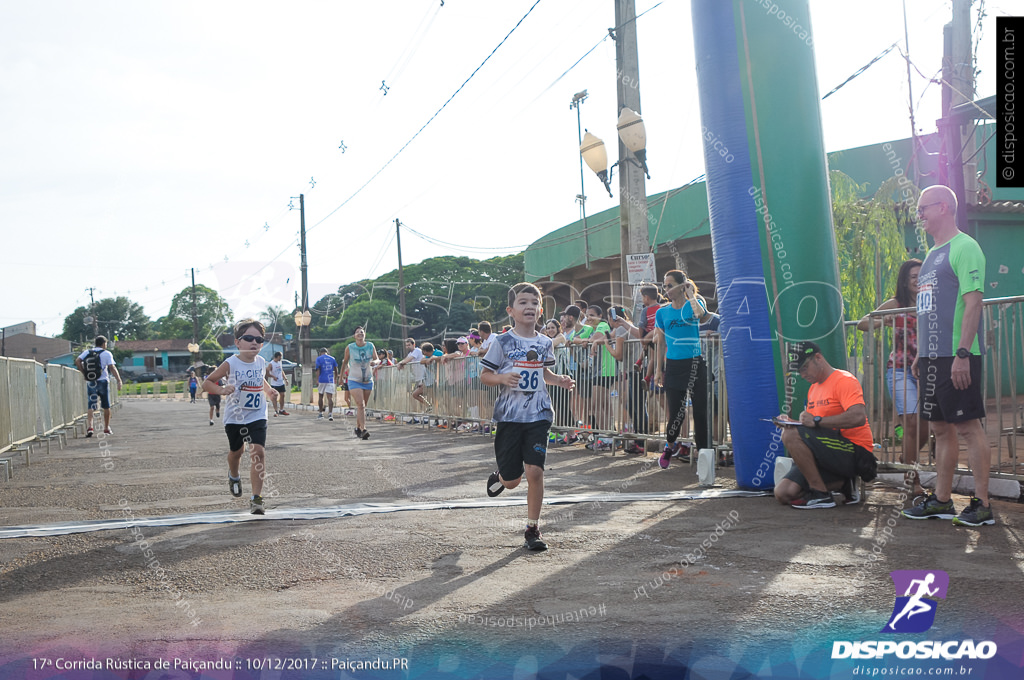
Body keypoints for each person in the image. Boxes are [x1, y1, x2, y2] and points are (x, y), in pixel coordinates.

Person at [903, 185, 995, 527]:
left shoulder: (965, 247)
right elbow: (929, 309)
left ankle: (982, 504)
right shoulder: (930, 256)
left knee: (968, 427)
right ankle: (942, 500)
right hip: (931, 358)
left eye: (923, 208)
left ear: (943, 207)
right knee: (941, 428)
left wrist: (961, 354)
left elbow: (973, 303)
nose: (919, 215)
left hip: (957, 354)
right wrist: (920, 353)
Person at [481, 283, 575, 551]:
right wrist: (501, 377)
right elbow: (484, 375)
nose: (529, 307)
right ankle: (501, 476)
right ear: (511, 310)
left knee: (535, 471)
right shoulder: (502, 342)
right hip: (510, 416)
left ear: (541, 310)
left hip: (539, 414)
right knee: (512, 481)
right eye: (523, 302)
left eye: (534, 303)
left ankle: (532, 528)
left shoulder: (545, 342)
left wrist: (560, 380)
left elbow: (545, 374)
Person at [773, 341, 878, 509]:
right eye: (799, 370)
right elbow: (816, 428)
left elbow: (858, 417)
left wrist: (815, 421)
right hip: (830, 450)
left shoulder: (844, 380)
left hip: (856, 452)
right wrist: (794, 423)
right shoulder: (813, 388)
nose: (802, 374)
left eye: (804, 367)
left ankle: (820, 494)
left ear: (818, 358)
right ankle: (843, 483)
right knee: (783, 493)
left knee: (790, 435)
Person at [857, 259, 927, 497]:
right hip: (900, 370)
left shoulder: (931, 301)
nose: (918, 280)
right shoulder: (896, 303)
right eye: (913, 277)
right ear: (905, 282)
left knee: (926, 430)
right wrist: (883, 321)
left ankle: (906, 458)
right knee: (910, 423)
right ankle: (912, 480)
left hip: (928, 371)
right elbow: (862, 324)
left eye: (921, 275)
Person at [202, 319, 275, 515]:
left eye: (259, 339)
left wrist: (269, 391)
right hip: (235, 417)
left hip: (258, 414)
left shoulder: (261, 362)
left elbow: (260, 381)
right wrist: (222, 389)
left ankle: (256, 499)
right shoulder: (230, 363)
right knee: (237, 452)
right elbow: (207, 383)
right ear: (237, 342)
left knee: (258, 452)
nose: (254, 342)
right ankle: (233, 474)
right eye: (249, 338)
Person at [653, 270, 712, 469]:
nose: (666, 289)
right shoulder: (662, 312)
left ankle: (705, 459)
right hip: (674, 365)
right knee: (677, 414)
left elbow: (700, 315)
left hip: (695, 364)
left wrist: (691, 295)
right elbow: (660, 342)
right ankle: (670, 446)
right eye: (665, 285)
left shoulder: (694, 303)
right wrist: (658, 370)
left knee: (701, 412)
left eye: (670, 285)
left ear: (682, 285)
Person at [75, 335, 123, 437]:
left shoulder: (87, 352)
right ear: (104, 344)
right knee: (106, 405)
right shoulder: (107, 354)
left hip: (91, 381)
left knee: (91, 405)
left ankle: (90, 427)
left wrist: (84, 373)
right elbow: (112, 367)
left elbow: (77, 361)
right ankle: (106, 428)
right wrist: (119, 380)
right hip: (103, 381)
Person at [341, 326, 377, 440]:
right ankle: (364, 429)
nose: (360, 333)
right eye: (357, 332)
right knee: (360, 404)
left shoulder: (370, 345)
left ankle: (357, 428)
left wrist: (374, 362)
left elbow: (377, 359)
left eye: (362, 332)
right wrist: (341, 375)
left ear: (364, 335)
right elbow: (345, 361)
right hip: (354, 380)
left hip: (367, 380)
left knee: (362, 406)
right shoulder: (350, 347)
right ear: (354, 336)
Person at [397, 337, 430, 413]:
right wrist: (400, 363)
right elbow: (406, 359)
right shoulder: (410, 353)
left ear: (413, 344)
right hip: (418, 377)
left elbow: (407, 360)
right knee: (415, 395)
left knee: (416, 394)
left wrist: (401, 363)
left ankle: (429, 407)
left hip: (423, 377)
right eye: (406, 345)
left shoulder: (417, 351)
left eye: (409, 345)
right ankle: (426, 408)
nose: (408, 347)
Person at [314, 347, 339, 421]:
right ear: (327, 352)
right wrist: (335, 377)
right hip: (330, 379)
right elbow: (336, 368)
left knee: (320, 396)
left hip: (322, 379)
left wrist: (317, 379)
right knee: (329, 397)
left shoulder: (319, 359)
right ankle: (330, 414)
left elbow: (318, 369)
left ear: (320, 352)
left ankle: (321, 413)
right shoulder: (332, 358)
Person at [267, 351, 290, 416]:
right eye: (280, 356)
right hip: (274, 384)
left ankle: (281, 409)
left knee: (282, 395)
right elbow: (267, 372)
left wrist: (285, 379)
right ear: (278, 356)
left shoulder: (280, 363)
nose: (281, 358)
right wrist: (272, 376)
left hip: (281, 382)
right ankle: (275, 411)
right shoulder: (271, 364)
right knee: (275, 397)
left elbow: (281, 371)